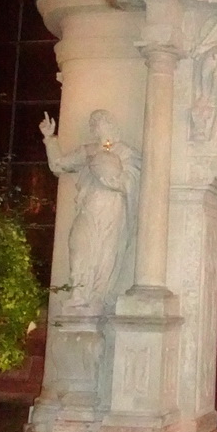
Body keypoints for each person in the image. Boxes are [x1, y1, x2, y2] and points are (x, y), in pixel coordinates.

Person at [40, 110, 141, 315]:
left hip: (112, 211)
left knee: (106, 253)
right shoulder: (88, 151)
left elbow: (134, 181)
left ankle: (97, 298)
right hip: (88, 207)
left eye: (102, 122)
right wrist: (49, 138)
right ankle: (78, 295)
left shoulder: (126, 152)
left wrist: (114, 177)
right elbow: (58, 165)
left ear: (112, 125)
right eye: (94, 124)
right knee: (79, 244)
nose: (97, 127)